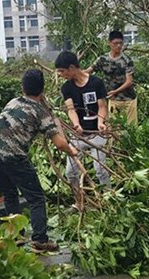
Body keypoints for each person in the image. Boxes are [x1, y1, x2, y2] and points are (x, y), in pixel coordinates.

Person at [0, 69, 77, 253]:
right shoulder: (39, 112)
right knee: (36, 198)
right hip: (14, 158)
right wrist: (72, 150)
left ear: (22, 87)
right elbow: (59, 143)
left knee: (10, 195)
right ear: (42, 90)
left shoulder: (13, 102)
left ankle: (16, 237)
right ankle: (40, 240)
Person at [55, 51, 110, 210]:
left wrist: (101, 122)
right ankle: (79, 203)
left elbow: (102, 106)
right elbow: (70, 109)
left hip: (96, 134)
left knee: (100, 170)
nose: (61, 74)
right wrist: (76, 124)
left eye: (62, 71)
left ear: (72, 68)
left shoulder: (96, 83)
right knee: (70, 171)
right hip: (78, 137)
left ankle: (108, 201)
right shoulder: (67, 88)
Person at [84, 30, 137, 125]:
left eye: (121, 43)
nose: (118, 46)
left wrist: (115, 91)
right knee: (113, 128)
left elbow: (129, 82)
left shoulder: (127, 60)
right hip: (113, 100)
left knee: (131, 129)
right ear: (109, 43)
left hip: (128, 100)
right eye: (115, 43)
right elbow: (89, 71)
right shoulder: (103, 59)